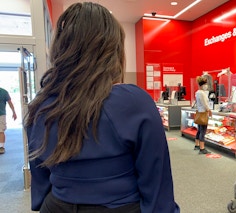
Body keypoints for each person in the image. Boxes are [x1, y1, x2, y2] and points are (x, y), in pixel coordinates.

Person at [24, 2, 180, 213]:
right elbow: (157, 184)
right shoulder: (134, 103)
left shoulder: (41, 107)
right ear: (113, 50)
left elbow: (40, 180)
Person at [194, 76, 212, 154]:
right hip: (203, 113)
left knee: (199, 130)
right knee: (203, 131)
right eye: (205, 84)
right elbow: (205, 104)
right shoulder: (202, 93)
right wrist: (209, 110)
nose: (206, 86)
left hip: (199, 112)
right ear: (202, 85)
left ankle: (197, 145)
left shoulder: (197, 93)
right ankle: (202, 148)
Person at [0, 87, 17, 154]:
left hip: (1, 115)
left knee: (0, 131)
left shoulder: (4, 92)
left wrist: (14, 112)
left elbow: (10, 103)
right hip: (2, 115)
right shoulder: (4, 92)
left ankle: (1, 147)